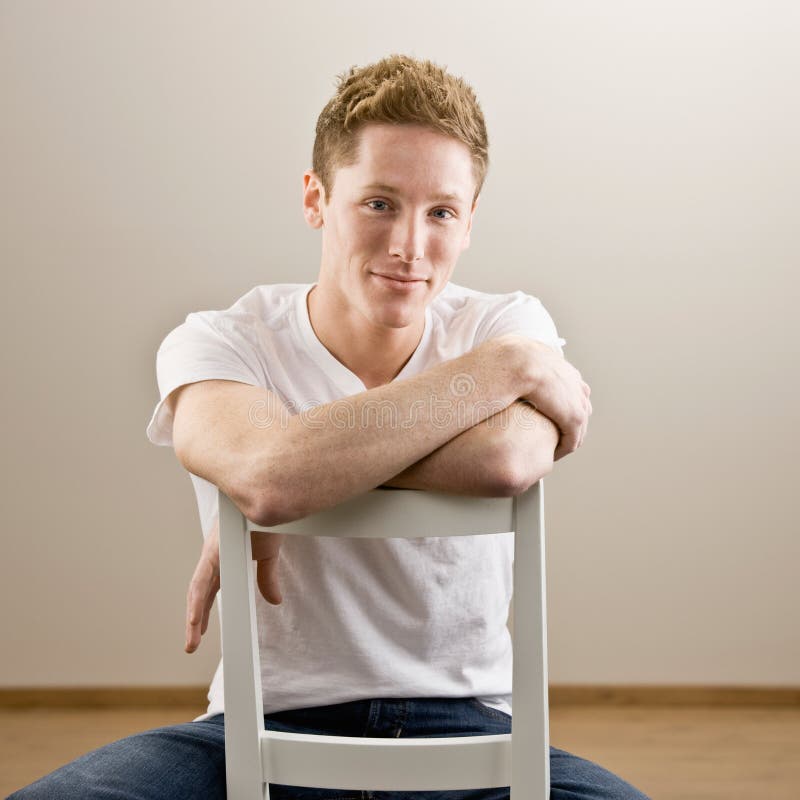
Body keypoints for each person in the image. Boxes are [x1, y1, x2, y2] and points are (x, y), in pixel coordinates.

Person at [8, 54, 650, 800]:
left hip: (472, 729)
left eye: (441, 211)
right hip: (262, 724)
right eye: (379, 202)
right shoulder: (223, 339)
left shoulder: (505, 327)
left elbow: (507, 458)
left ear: (469, 222)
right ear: (316, 198)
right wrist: (503, 373)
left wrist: (295, 474)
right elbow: (269, 475)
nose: (411, 244)